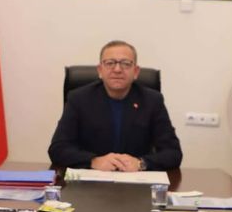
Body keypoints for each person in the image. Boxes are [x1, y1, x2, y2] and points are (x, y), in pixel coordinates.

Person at [48, 40, 183, 171]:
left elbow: (173, 153)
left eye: (125, 64)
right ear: (100, 70)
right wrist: (94, 161)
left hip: (135, 179)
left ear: (136, 72)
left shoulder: (152, 100)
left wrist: (141, 163)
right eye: (110, 63)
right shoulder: (78, 99)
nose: (117, 69)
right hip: (92, 178)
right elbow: (57, 149)